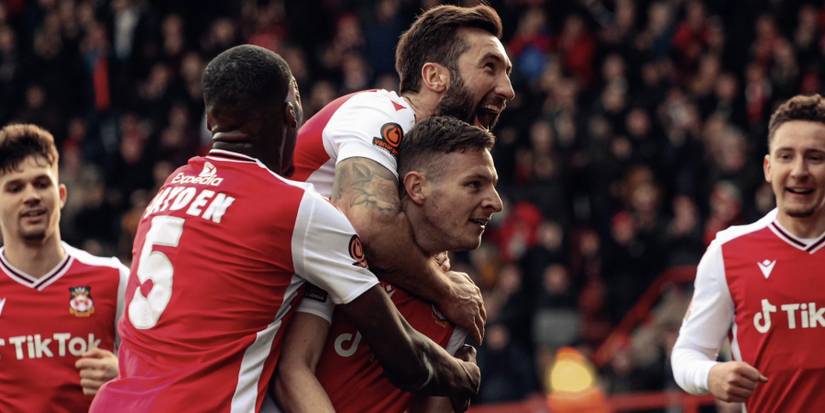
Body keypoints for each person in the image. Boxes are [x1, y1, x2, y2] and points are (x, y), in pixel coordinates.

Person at [90, 45, 479, 413]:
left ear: (210, 120)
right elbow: (404, 358)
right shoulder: (298, 208)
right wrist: (462, 374)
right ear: (291, 110)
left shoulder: (170, 188)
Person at [290, 3, 514, 345]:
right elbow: (371, 226)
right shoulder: (382, 112)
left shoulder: (427, 155)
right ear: (435, 77)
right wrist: (447, 292)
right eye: (489, 68)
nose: (507, 90)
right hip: (263, 302)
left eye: (507, 73)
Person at [275, 116, 502, 413]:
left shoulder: (462, 304)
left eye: (493, 186)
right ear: (417, 187)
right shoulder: (342, 244)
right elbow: (291, 372)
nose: (495, 202)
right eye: (474, 184)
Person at [672, 94, 825, 411]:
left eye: (815, 157)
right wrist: (711, 375)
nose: (799, 170)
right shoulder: (729, 251)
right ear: (768, 168)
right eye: (786, 156)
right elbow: (687, 353)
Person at [0, 124, 126, 413]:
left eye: (41, 184)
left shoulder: (113, 279)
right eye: (15, 187)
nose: (31, 196)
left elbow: (162, 373)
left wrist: (125, 376)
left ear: (62, 195)